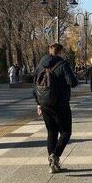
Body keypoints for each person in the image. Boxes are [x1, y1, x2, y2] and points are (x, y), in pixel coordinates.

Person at [34, 43, 78, 173]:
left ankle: (52, 165)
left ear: (49, 51)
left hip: (45, 104)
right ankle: (55, 155)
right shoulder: (63, 64)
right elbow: (73, 83)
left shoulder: (40, 64)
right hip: (61, 104)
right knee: (66, 132)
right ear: (60, 52)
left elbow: (35, 84)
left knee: (51, 133)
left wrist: (38, 103)